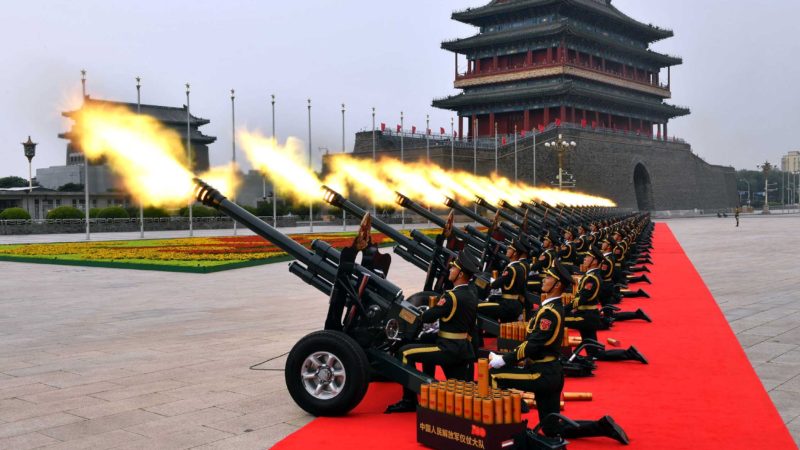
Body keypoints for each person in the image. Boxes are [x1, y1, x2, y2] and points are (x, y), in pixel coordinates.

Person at [488, 262, 630, 444]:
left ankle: (502, 435)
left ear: (556, 285)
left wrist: (504, 359)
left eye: (548, 277)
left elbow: (533, 345)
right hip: (552, 371)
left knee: (495, 375)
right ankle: (600, 427)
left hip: (542, 373)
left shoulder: (549, 313)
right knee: (552, 428)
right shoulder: (551, 308)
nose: (544, 279)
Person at [385, 250, 481, 413]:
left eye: (453, 268)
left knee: (404, 352)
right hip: (462, 347)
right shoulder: (471, 294)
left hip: (448, 348)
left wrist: (422, 312)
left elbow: (428, 317)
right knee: (428, 339)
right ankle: (428, 381)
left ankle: (409, 400)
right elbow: (472, 326)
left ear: (460, 274)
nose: (450, 270)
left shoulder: (451, 297)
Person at [564, 245, 648, 364]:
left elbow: (581, 299)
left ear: (595, 261)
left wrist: (564, 309)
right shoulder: (591, 275)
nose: (585, 258)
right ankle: (628, 353)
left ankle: (559, 356)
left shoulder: (591, 279)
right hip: (587, 315)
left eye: (588, 257)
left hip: (586, 316)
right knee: (595, 353)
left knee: (559, 319)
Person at [478, 235, 531, 322]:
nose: (507, 250)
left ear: (514, 253)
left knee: (477, 307)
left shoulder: (511, 269)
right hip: (515, 304)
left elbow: (494, 285)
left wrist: (491, 280)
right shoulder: (520, 267)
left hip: (507, 305)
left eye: (510, 249)